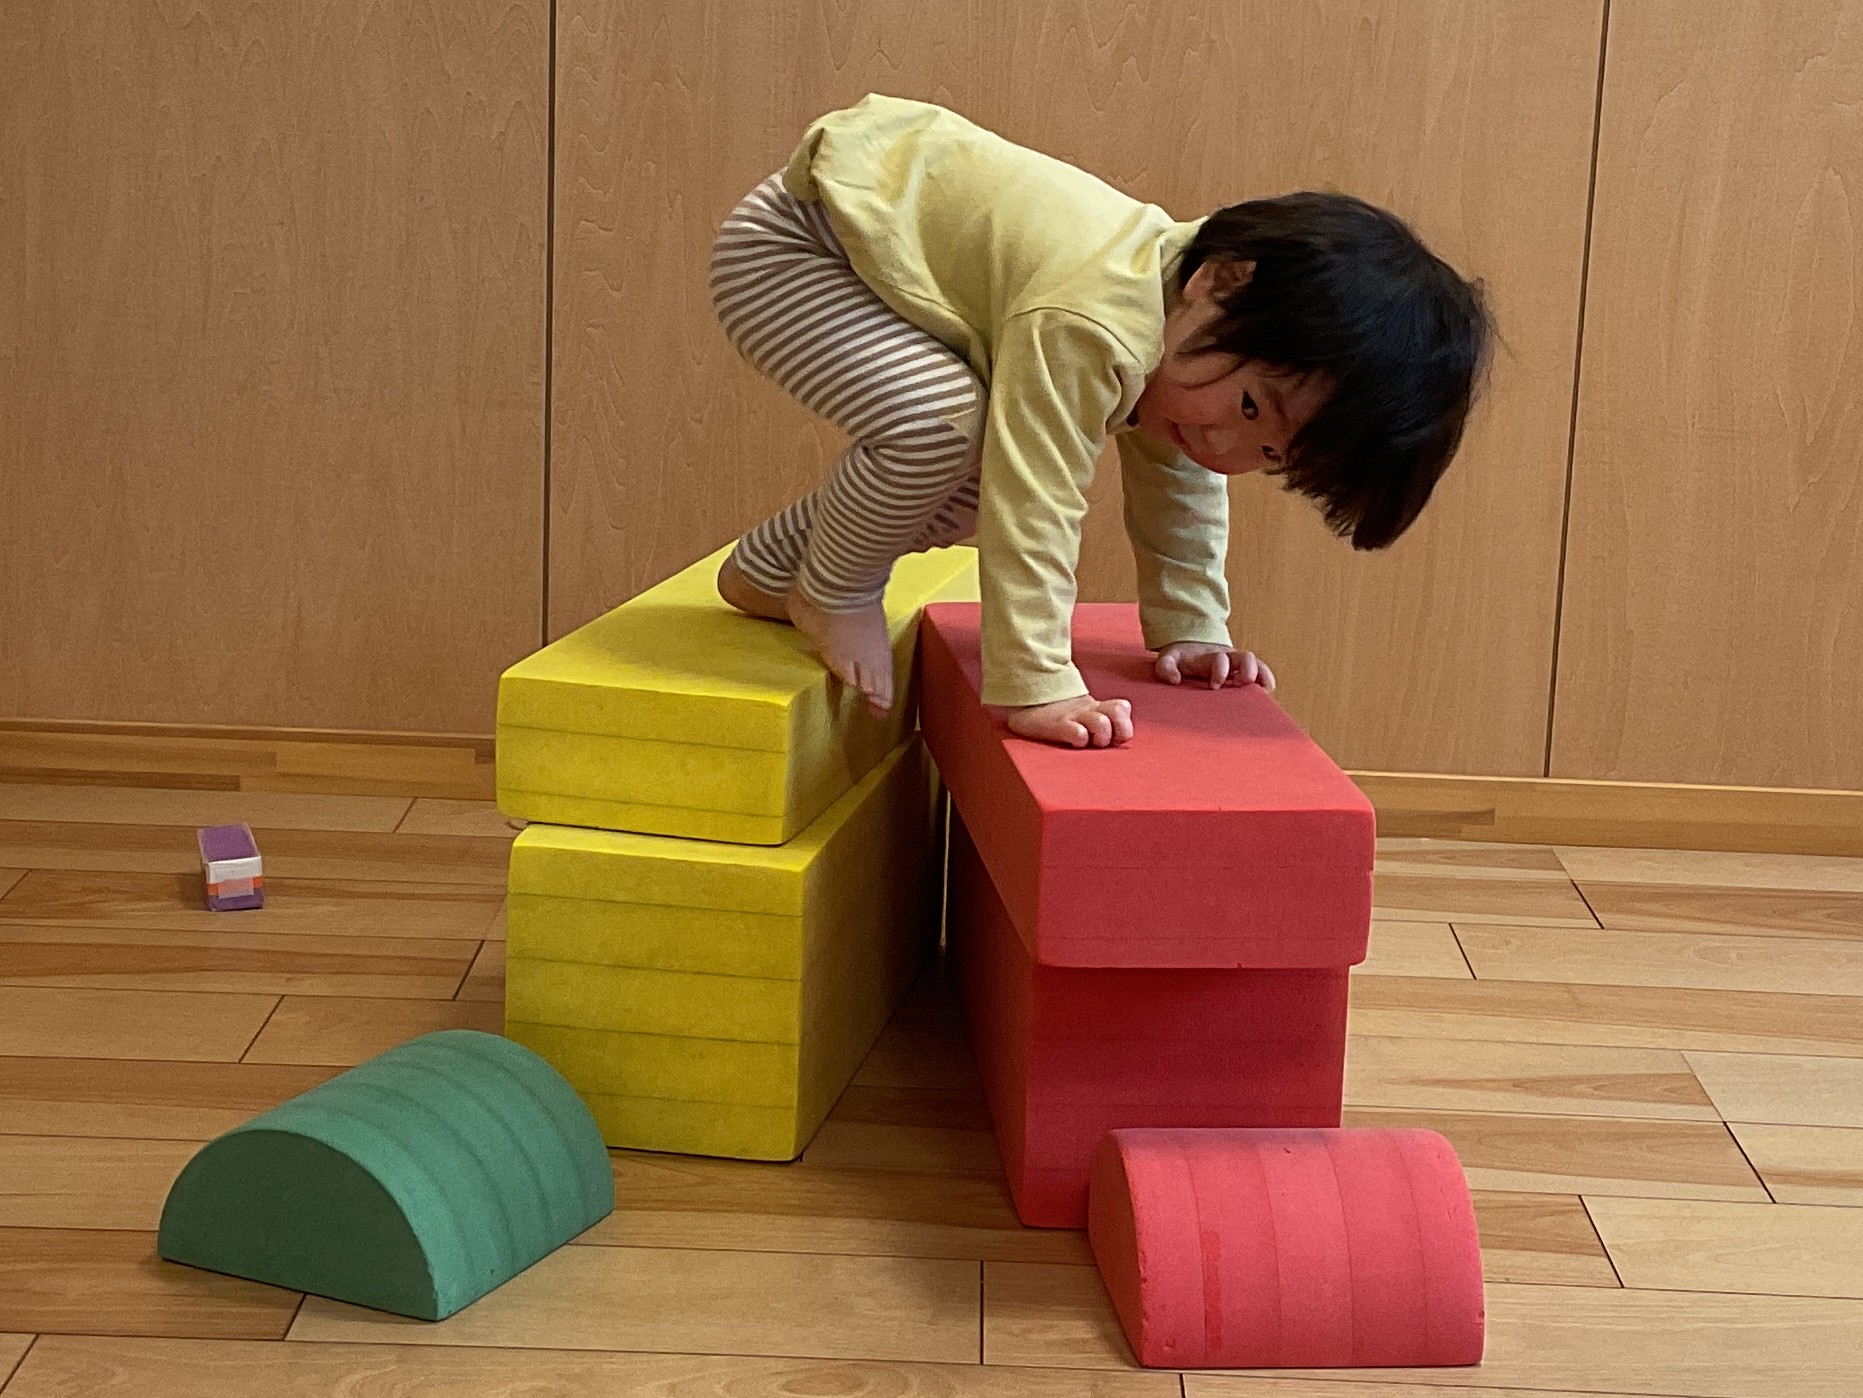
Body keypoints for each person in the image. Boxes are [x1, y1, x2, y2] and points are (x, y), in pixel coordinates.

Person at [709, 94, 1492, 748]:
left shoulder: (1192, 336)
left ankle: (771, 572)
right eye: (1252, 406)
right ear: (1220, 281)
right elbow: (1037, 504)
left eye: (1269, 453)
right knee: (947, 432)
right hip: (797, 246)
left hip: (871, 261)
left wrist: (1191, 626)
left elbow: (1179, 492)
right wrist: (1036, 682)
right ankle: (835, 589)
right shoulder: (1096, 323)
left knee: (969, 477)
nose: (1225, 447)